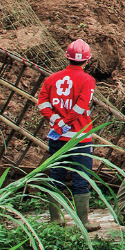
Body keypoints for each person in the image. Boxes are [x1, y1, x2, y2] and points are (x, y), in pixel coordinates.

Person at [37, 39, 100, 232]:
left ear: (67, 57)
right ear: (87, 60)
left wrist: (57, 120)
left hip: (58, 137)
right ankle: (83, 221)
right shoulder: (87, 80)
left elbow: (42, 103)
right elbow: (81, 106)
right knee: (81, 177)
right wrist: (67, 122)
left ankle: (56, 219)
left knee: (56, 175)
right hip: (80, 138)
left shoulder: (51, 79)